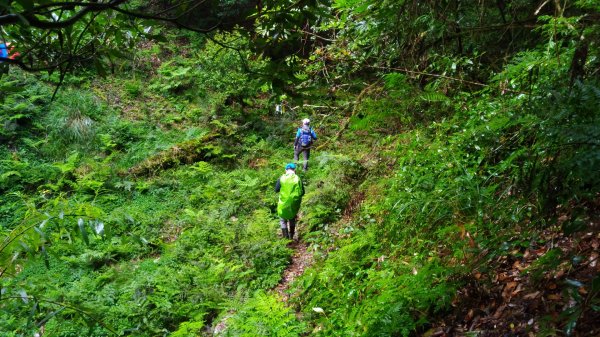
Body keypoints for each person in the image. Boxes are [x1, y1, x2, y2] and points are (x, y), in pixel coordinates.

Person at [274, 163, 304, 240]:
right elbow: (302, 192)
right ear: (294, 170)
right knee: (292, 218)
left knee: (282, 219)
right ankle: (291, 236)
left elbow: (276, 190)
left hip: (283, 203)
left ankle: (285, 238)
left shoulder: (281, 178)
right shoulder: (298, 178)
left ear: (286, 170)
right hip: (294, 203)